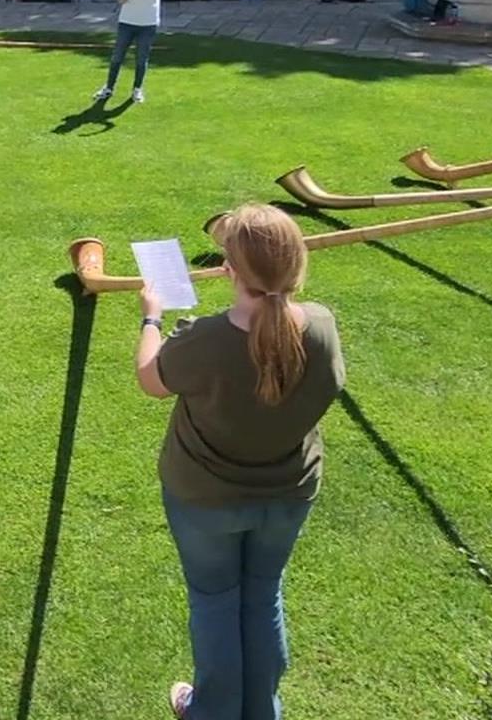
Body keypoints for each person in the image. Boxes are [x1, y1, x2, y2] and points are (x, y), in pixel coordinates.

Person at [132, 203, 345, 720]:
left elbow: (149, 379)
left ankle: (213, 713)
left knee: (215, 599)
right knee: (262, 595)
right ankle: (262, 710)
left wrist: (152, 317)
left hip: (205, 498)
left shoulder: (204, 338)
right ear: (299, 264)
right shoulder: (321, 326)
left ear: (228, 271)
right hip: (288, 494)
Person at [95, 0, 173, 106]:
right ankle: (108, 87)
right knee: (117, 56)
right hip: (127, 21)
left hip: (148, 22)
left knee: (141, 58)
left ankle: (137, 89)